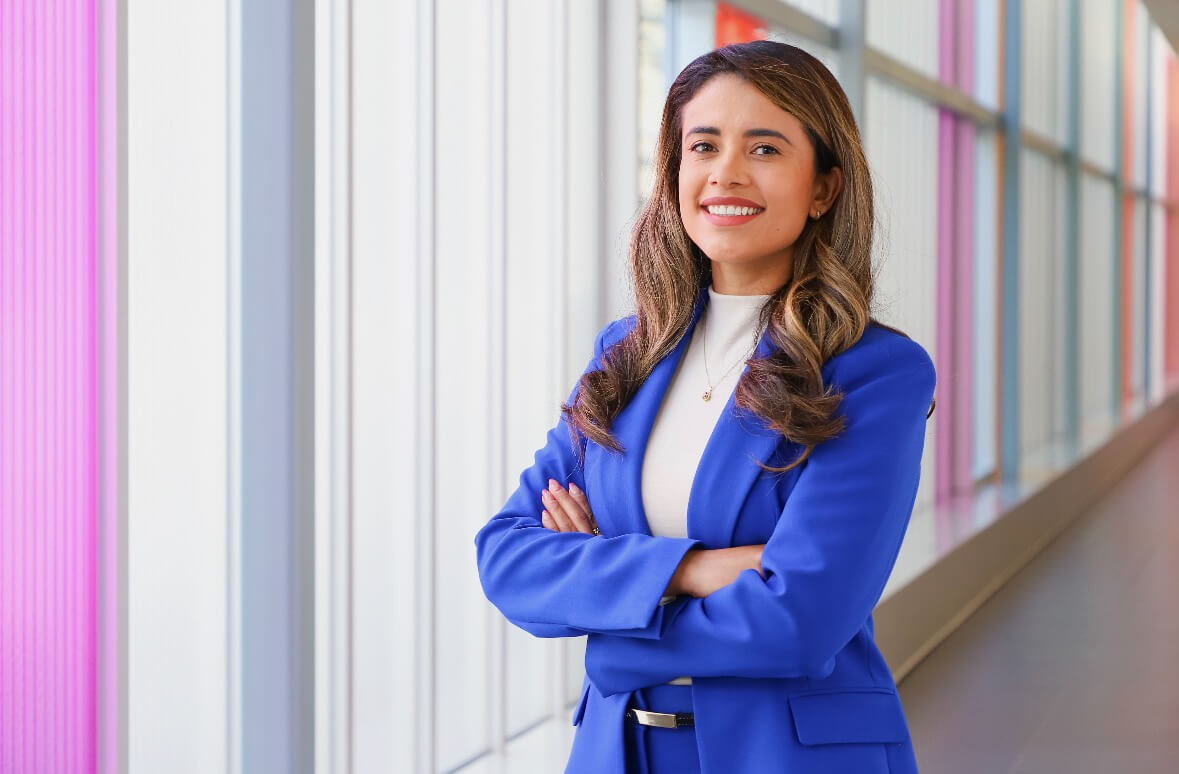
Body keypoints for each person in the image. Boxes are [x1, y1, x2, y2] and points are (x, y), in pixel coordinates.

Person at [474, 40, 935, 774]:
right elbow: (508, 556)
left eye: (763, 148)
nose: (725, 172)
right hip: (614, 751)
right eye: (703, 145)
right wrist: (686, 571)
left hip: (786, 756)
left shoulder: (873, 373)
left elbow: (799, 619)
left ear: (823, 188)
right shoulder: (625, 353)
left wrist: (605, 622)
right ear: (676, 171)